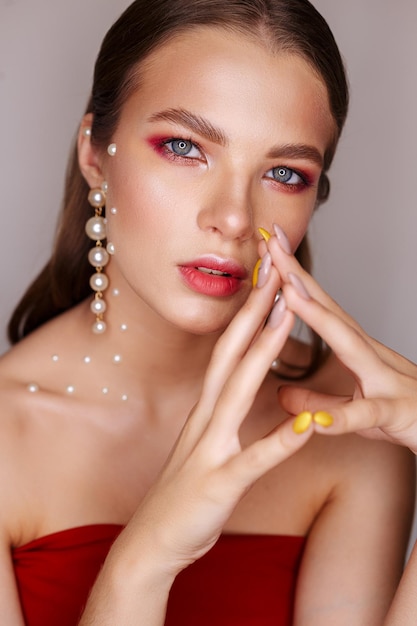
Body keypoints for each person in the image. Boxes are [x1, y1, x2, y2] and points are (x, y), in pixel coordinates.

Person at [0, 1, 414, 625]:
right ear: (94, 154)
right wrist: (148, 555)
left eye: (283, 172)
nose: (235, 218)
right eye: (184, 147)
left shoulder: (353, 425)